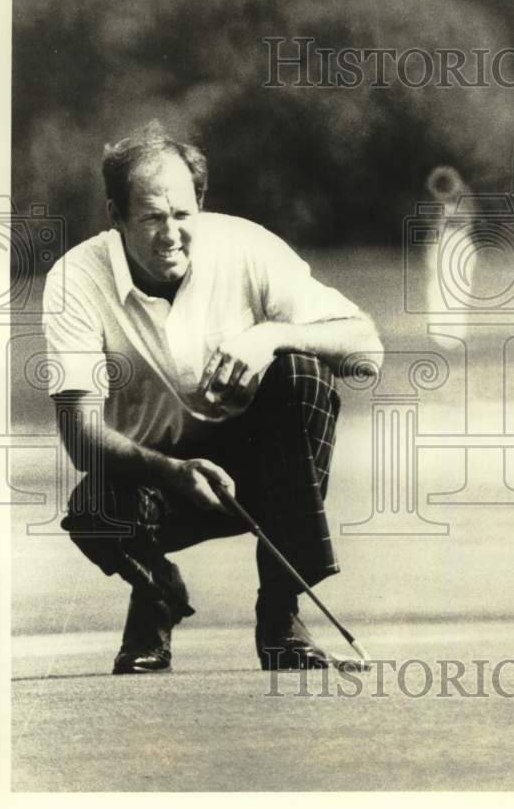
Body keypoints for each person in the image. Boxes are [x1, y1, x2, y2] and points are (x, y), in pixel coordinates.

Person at [42, 122, 383, 674]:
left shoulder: (244, 245)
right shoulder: (74, 280)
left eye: (182, 214)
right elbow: (82, 440)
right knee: (94, 510)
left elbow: (366, 347)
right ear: (115, 216)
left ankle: (281, 619)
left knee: (302, 373)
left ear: (202, 204)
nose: (170, 233)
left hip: (264, 474)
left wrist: (271, 335)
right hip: (159, 481)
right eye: (151, 217)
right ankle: (156, 595)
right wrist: (175, 471)